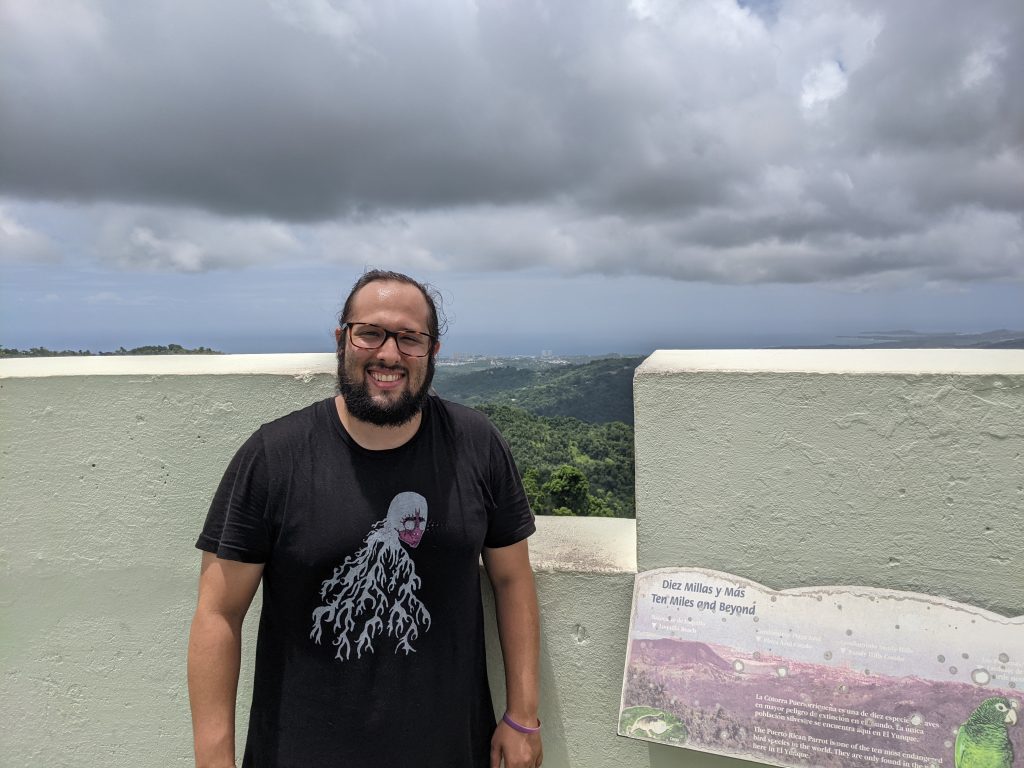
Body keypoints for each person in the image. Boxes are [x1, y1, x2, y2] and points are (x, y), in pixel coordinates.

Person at [187, 270, 543, 768]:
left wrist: (523, 716)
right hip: (300, 751)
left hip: (450, 749)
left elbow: (512, 579)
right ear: (342, 340)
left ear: (432, 351)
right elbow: (218, 613)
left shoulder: (476, 445)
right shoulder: (274, 457)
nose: (389, 355)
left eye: (410, 338)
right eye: (370, 333)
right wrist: (213, 758)